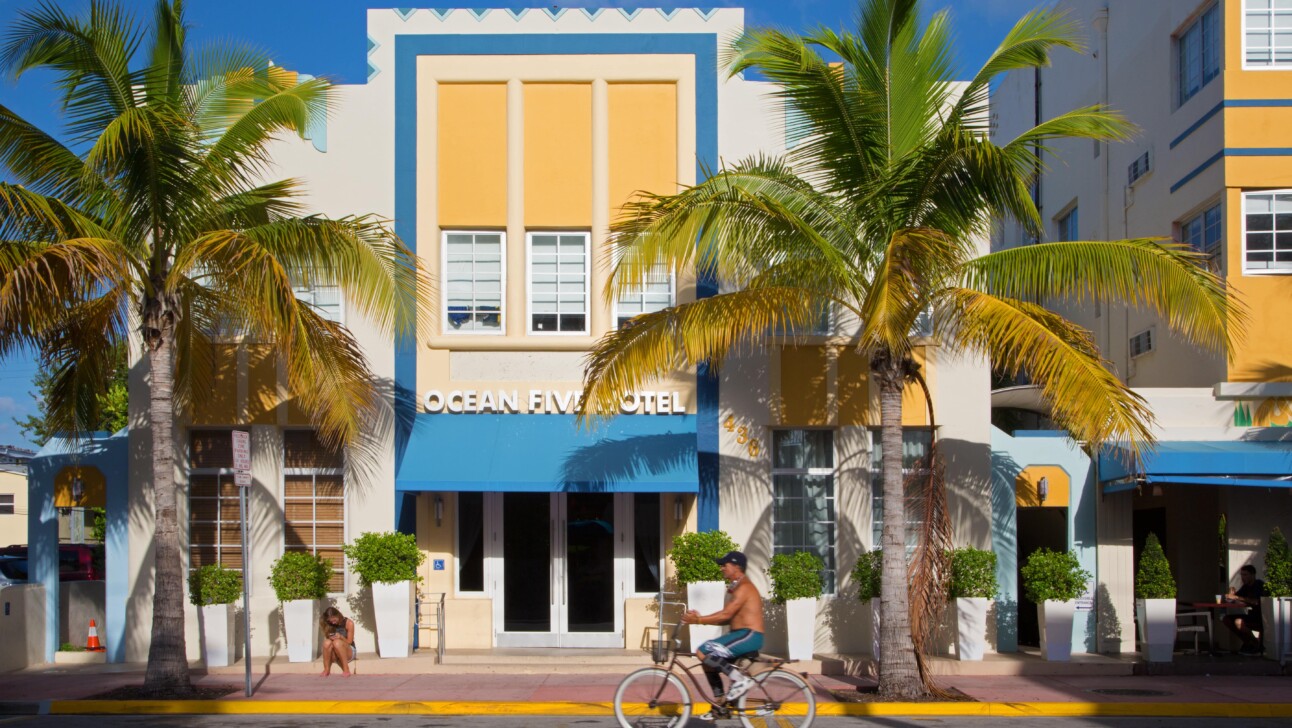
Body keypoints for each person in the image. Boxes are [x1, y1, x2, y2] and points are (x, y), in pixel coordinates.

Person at [681, 551, 764, 721]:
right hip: (740, 634)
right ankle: (720, 706)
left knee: (703, 651)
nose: (721, 568)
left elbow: (725, 615)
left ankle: (739, 680)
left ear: (736, 567)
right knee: (708, 663)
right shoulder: (736, 587)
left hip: (749, 635)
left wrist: (697, 619)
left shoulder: (744, 587)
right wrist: (700, 618)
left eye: (725, 565)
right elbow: (725, 620)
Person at [1222, 564, 1265, 656]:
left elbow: (1256, 601)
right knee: (1226, 619)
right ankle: (1251, 642)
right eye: (1242, 575)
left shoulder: (1259, 585)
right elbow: (1237, 597)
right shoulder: (1246, 586)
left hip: (1262, 617)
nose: (1243, 577)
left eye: (1245, 575)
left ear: (1253, 575)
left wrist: (1237, 597)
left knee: (1238, 622)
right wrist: (1230, 597)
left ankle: (1255, 645)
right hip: (1252, 615)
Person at [320, 606, 356, 676]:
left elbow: (349, 642)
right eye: (330, 621)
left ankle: (346, 669)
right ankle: (326, 669)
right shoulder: (329, 624)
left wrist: (341, 637)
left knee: (337, 642)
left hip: (349, 650)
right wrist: (330, 637)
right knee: (326, 642)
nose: (333, 623)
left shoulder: (349, 623)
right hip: (335, 652)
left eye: (334, 620)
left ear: (338, 615)